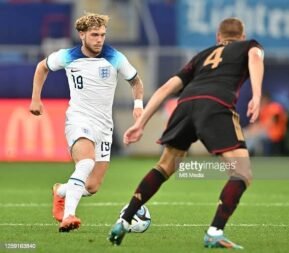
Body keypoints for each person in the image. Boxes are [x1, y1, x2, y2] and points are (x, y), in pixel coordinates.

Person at [108, 17, 264, 249]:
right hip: (215, 104)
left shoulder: (202, 56)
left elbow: (166, 88)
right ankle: (214, 232)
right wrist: (257, 94)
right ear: (242, 37)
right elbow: (254, 58)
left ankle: (124, 219)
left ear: (218, 38)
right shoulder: (250, 45)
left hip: (185, 104)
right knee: (241, 173)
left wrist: (141, 123)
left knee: (165, 166)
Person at [29, 12, 144, 232]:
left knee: (92, 186)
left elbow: (136, 81)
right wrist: (36, 99)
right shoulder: (67, 56)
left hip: (104, 125)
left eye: (102, 34)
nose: (99, 39)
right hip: (79, 119)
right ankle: (69, 216)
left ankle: (61, 190)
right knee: (86, 162)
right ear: (82, 35)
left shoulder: (115, 57)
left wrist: (138, 105)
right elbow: (41, 67)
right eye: (94, 35)